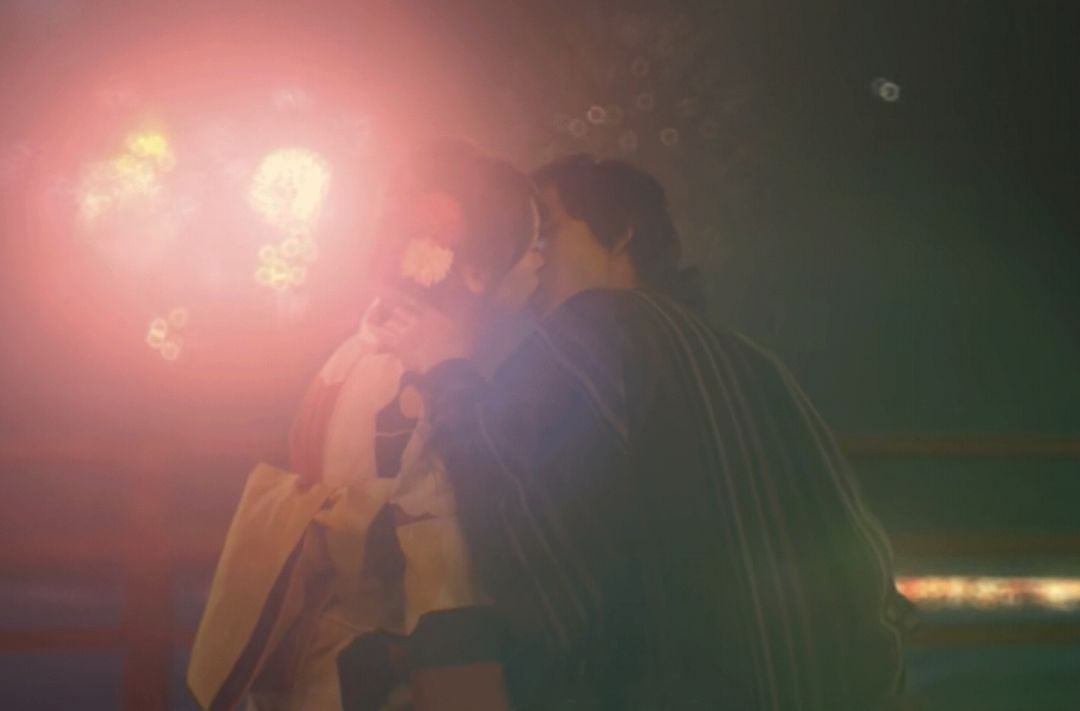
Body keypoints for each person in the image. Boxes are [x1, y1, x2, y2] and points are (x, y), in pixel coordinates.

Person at [387, 154, 912, 710]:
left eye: (548, 231)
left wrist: (446, 368)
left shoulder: (596, 330)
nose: (532, 258)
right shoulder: (757, 363)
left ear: (622, 236)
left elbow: (520, 527)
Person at [187, 140, 543, 711]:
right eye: (526, 244)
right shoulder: (405, 373)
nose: (539, 263)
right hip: (375, 664)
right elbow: (440, 563)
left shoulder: (370, 354)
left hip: (339, 654)